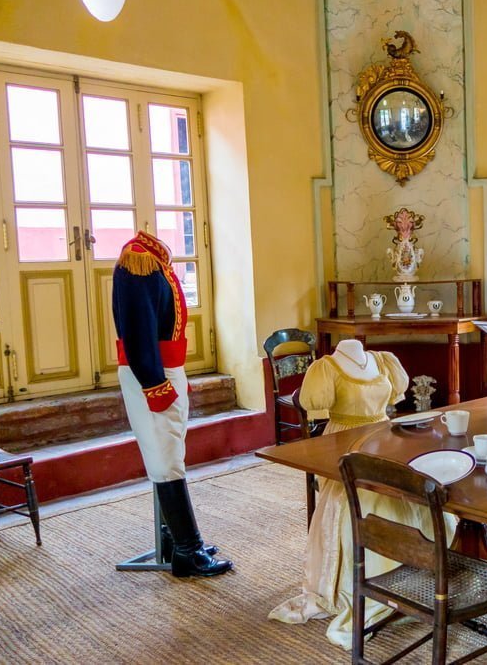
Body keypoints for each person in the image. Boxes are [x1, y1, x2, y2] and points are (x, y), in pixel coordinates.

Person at [268, 339, 456, 648]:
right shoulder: (326, 368)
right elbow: (311, 401)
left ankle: (417, 568)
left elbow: (394, 394)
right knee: (365, 499)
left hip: (384, 436)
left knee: (408, 493)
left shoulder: (382, 360)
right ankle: (368, 581)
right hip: (344, 439)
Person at [112, 230, 232, 578]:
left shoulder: (153, 261)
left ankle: (173, 539)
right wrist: (155, 383)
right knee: (166, 460)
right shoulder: (139, 261)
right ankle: (187, 550)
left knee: (170, 454)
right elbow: (137, 332)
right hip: (153, 374)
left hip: (166, 368)